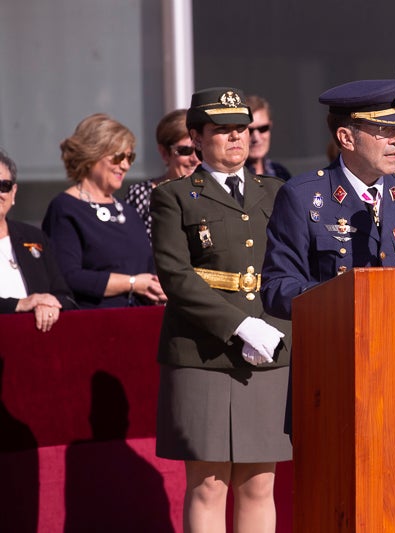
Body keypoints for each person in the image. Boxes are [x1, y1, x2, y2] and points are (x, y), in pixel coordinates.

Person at [150, 87, 292, 533]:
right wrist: (239, 325)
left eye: (241, 129)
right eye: (222, 130)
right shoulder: (174, 196)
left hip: (268, 347)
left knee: (258, 481)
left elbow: (290, 265)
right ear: (195, 136)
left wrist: (267, 327)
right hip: (203, 352)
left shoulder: (278, 192)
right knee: (209, 482)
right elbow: (176, 276)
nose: (236, 139)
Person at [262, 79, 395, 320]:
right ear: (346, 138)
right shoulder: (302, 196)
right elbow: (277, 289)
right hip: (337, 344)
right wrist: (343, 297)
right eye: (385, 130)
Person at [42, 113, 166, 309]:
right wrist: (132, 283)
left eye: (129, 157)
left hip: (142, 323)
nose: (125, 165)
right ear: (92, 155)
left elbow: (148, 267)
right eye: (118, 157)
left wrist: (157, 287)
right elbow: (67, 276)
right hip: (96, 324)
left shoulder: (128, 212)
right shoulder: (66, 208)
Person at [0, 149, 76, 330]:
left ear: (13, 192)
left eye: (4, 186)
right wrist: (20, 304)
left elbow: (66, 298)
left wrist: (48, 305)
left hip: (36, 345)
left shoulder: (33, 237)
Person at [124, 109, 200, 240]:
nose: (195, 159)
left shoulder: (216, 193)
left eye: (199, 150)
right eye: (185, 150)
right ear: (164, 153)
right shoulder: (142, 195)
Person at [245, 95, 292, 180]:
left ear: (270, 126)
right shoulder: (232, 179)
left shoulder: (281, 173)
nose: (256, 138)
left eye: (263, 128)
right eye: (249, 130)